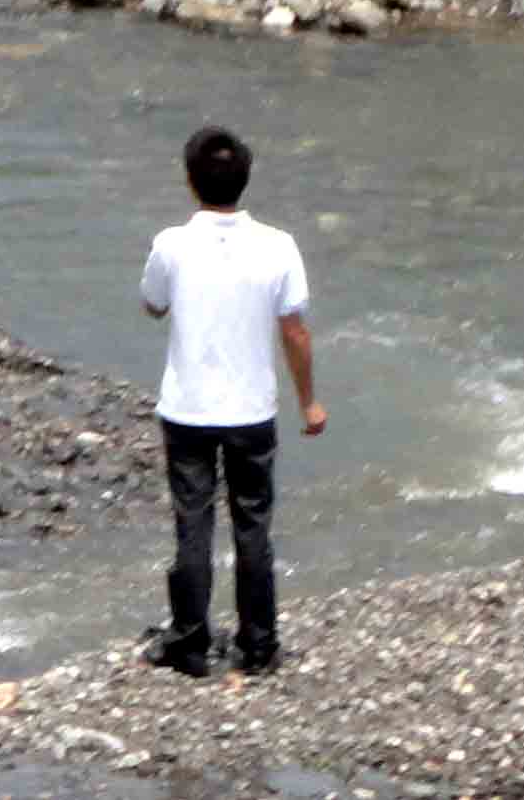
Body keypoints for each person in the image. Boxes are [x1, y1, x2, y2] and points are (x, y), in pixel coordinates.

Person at [139, 125, 323, 678]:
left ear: (190, 182)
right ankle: (259, 642)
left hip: (188, 409)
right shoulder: (278, 245)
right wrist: (309, 402)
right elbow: (295, 331)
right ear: (246, 180)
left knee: (192, 523)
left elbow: (153, 304)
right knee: (253, 526)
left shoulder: (170, 244)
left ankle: (190, 641)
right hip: (252, 411)